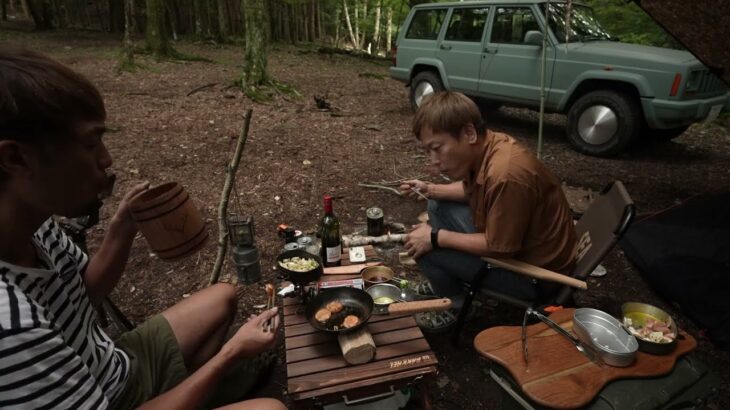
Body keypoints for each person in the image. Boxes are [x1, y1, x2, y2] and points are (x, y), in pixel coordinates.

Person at [0, 49, 285, 410]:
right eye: (90, 144)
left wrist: (122, 230)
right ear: (16, 158)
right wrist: (229, 354)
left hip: (113, 367)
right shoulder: (9, 327)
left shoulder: (35, 226)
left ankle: (190, 392)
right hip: (110, 401)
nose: (106, 159)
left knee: (223, 296)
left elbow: (83, 293)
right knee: (272, 409)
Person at [399, 92, 577, 333]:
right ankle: (448, 281)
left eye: (437, 148)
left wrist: (434, 237)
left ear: (469, 133)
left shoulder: (506, 174)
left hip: (536, 276)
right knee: (436, 204)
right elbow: (472, 190)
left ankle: (456, 304)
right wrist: (429, 189)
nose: (434, 161)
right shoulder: (490, 146)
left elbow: (498, 247)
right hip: (522, 246)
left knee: (425, 249)